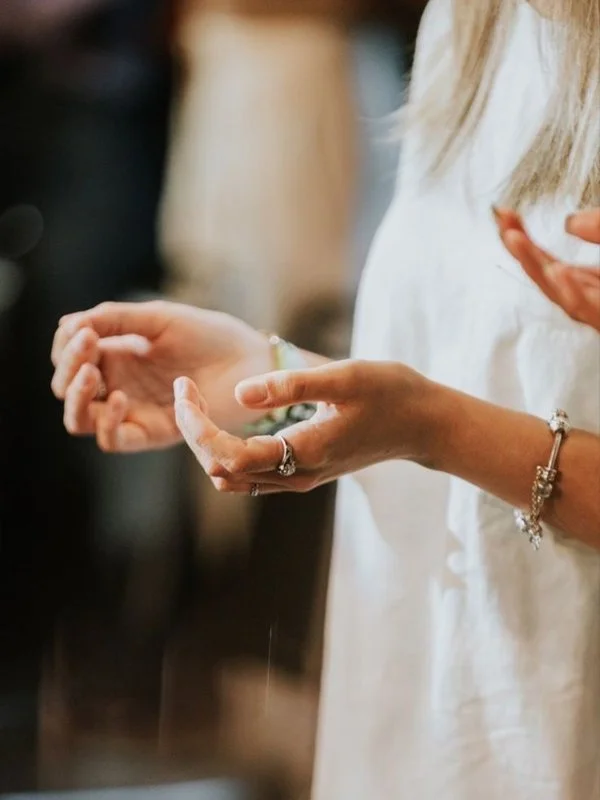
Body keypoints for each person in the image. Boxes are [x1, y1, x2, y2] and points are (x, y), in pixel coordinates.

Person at [50, 1, 600, 797]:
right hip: (422, 692)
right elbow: (457, 376)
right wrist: (267, 379)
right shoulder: (468, 26)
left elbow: (443, 417)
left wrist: (432, 428)